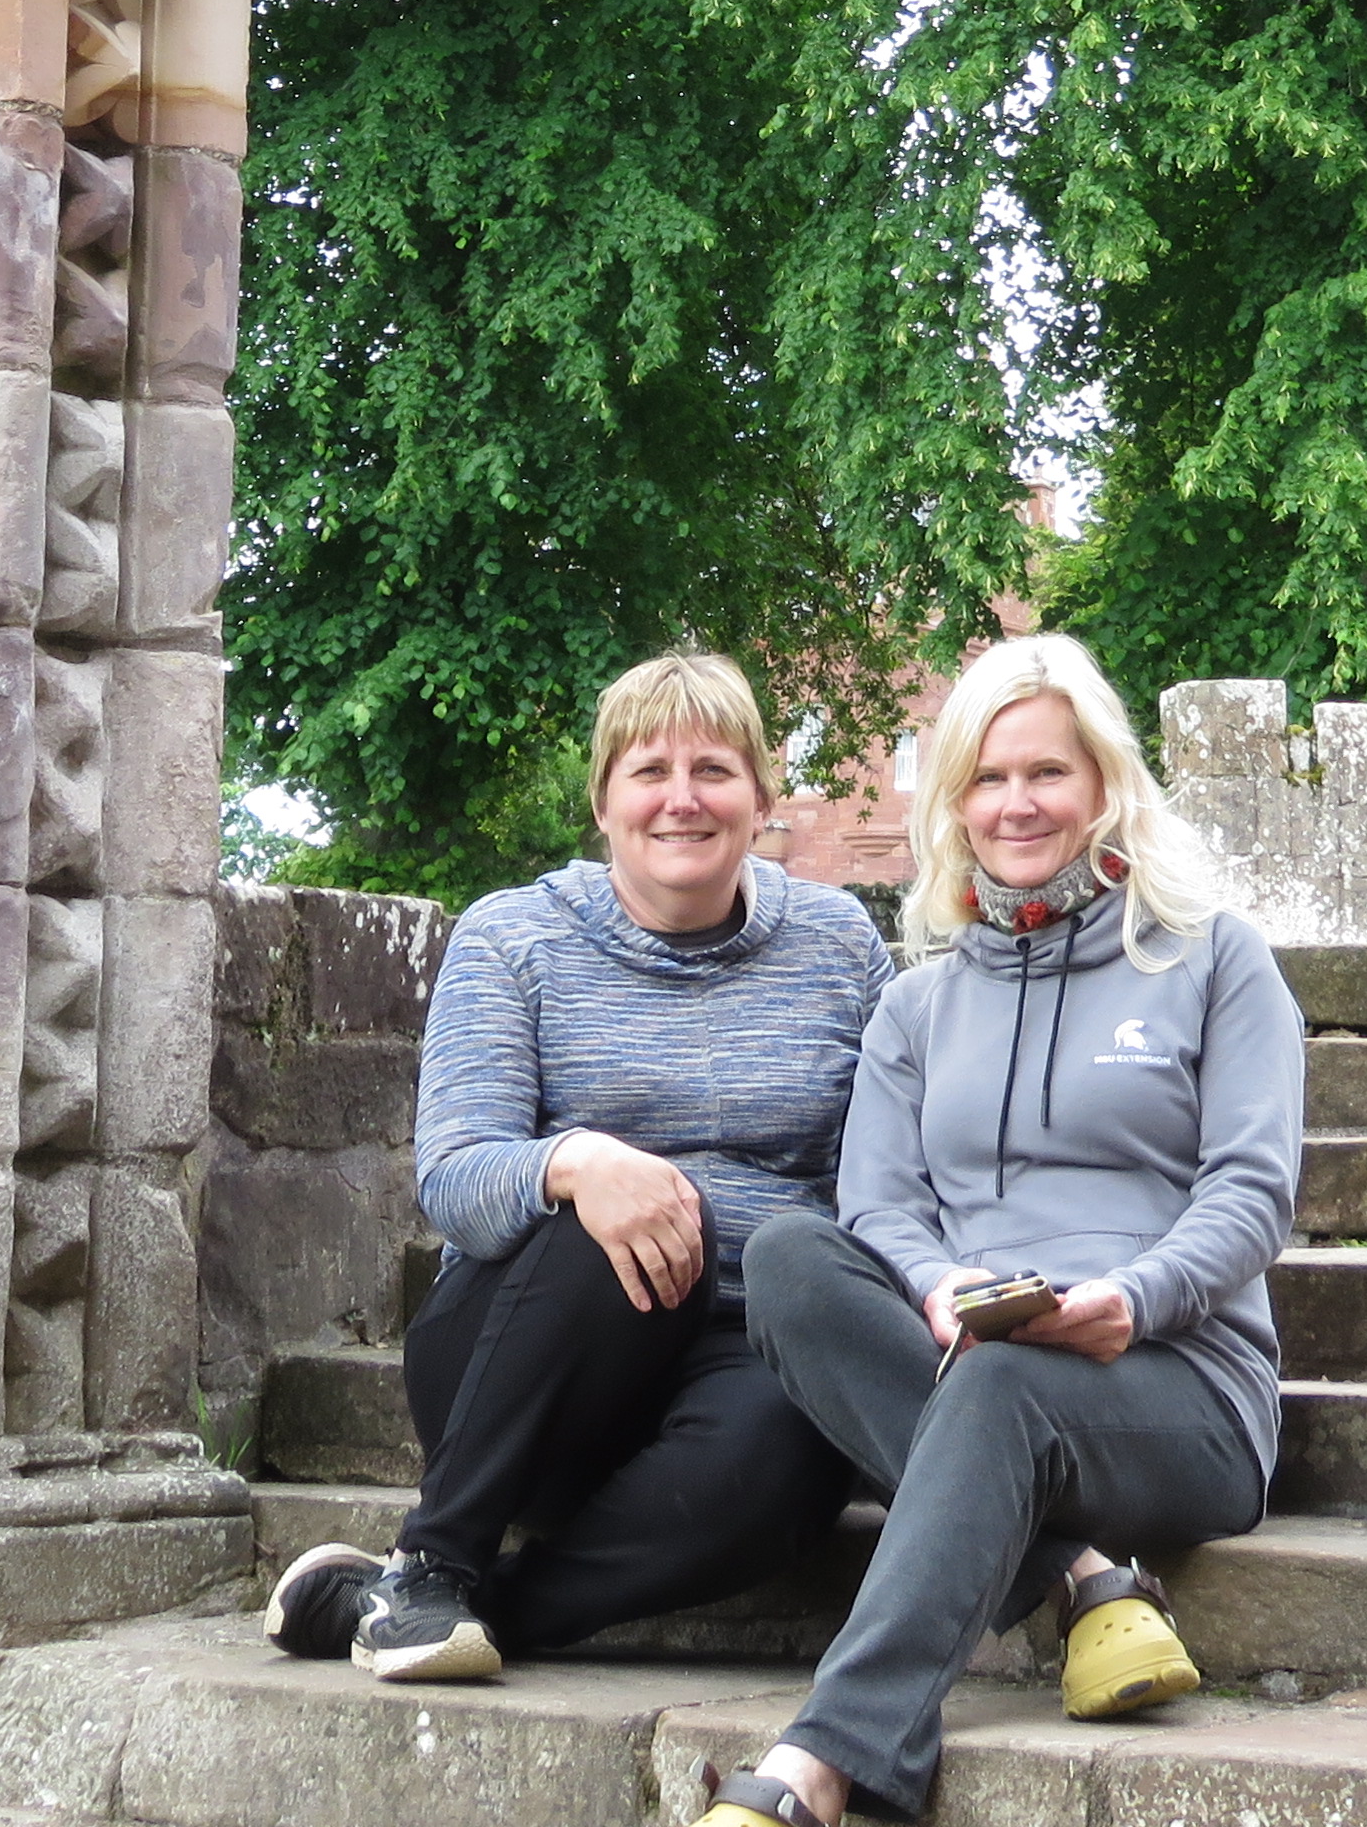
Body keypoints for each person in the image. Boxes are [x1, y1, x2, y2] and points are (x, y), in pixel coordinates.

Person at [689, 633, 1304, 1827]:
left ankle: (825, 1759)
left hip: (1179, 1384)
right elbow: (875, 1203)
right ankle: (1082, 1575)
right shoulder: (919, 1001)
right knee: (787, 1260)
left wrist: (1136, 1296)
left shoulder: (1215, 958)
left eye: (1046, 773)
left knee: (999, 1388)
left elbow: (1252, 1190)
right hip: (984, 1351)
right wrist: (933, 1285)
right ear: (952, 803)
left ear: (1105, 785)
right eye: (985, 777)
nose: (1015, 803)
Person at [263, 648, 896, 1684]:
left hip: (748, 1346)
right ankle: (435, 1559)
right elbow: (457, 1182)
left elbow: (872, 1178)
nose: (681, 800)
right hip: (534, 1368)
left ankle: (422, 1609)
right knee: (621, 1212)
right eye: (649, 772)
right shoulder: (513, 938)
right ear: (603, 803)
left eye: (714, 771)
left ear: (760, 799)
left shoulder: (838, 943)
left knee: (792, 1464)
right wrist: (576, 1163)